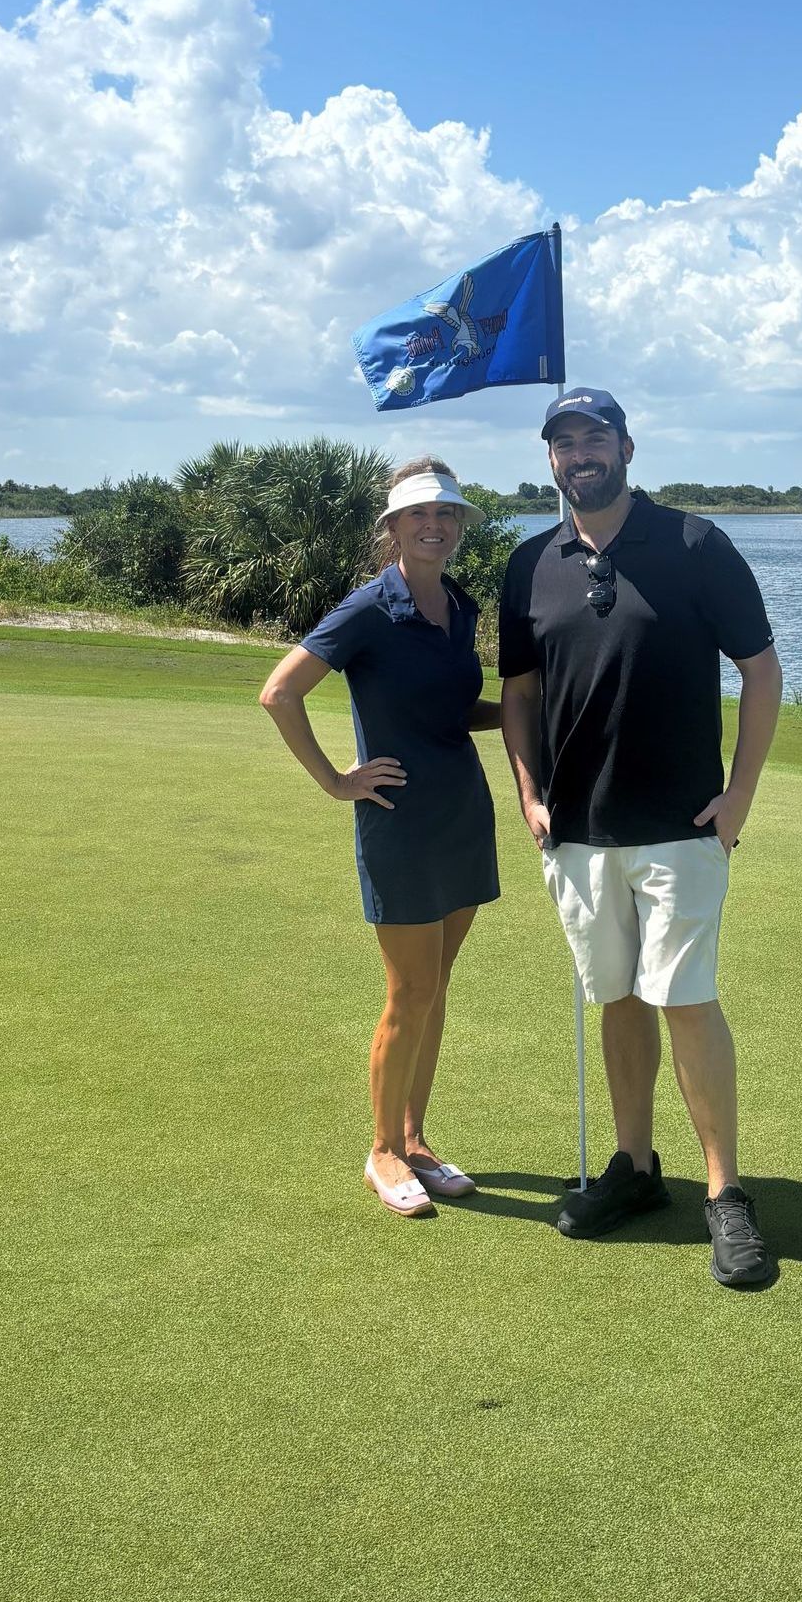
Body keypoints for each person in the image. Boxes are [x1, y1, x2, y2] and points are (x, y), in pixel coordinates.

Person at [498, 389, 784, 1287]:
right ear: (550, 460)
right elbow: (519, 693)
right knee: (617, 997)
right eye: (563, 443)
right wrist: (527, 790)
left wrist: (739, 795)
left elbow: (763, 672)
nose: (579, 454)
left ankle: (725, 1194)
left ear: (626, 446)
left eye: (594, 438)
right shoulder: (529, 562)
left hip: (680, 825)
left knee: (685, 998)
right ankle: (636, 1167)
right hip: (577, 834)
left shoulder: (697, 543)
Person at [260, 458, 501, 1217]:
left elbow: (450, 712)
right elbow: (280, 691)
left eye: (448, 515)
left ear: (459, 527)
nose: (435, 526)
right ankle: (382, 1151)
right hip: (398, 822)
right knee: (410, 990)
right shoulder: (368, 607)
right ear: (392, 529)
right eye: (419, 516)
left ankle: (416, 1139)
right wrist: (337, 780)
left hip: (462, 811)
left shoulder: (459, 607)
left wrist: (526, 710)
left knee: (438, 988)